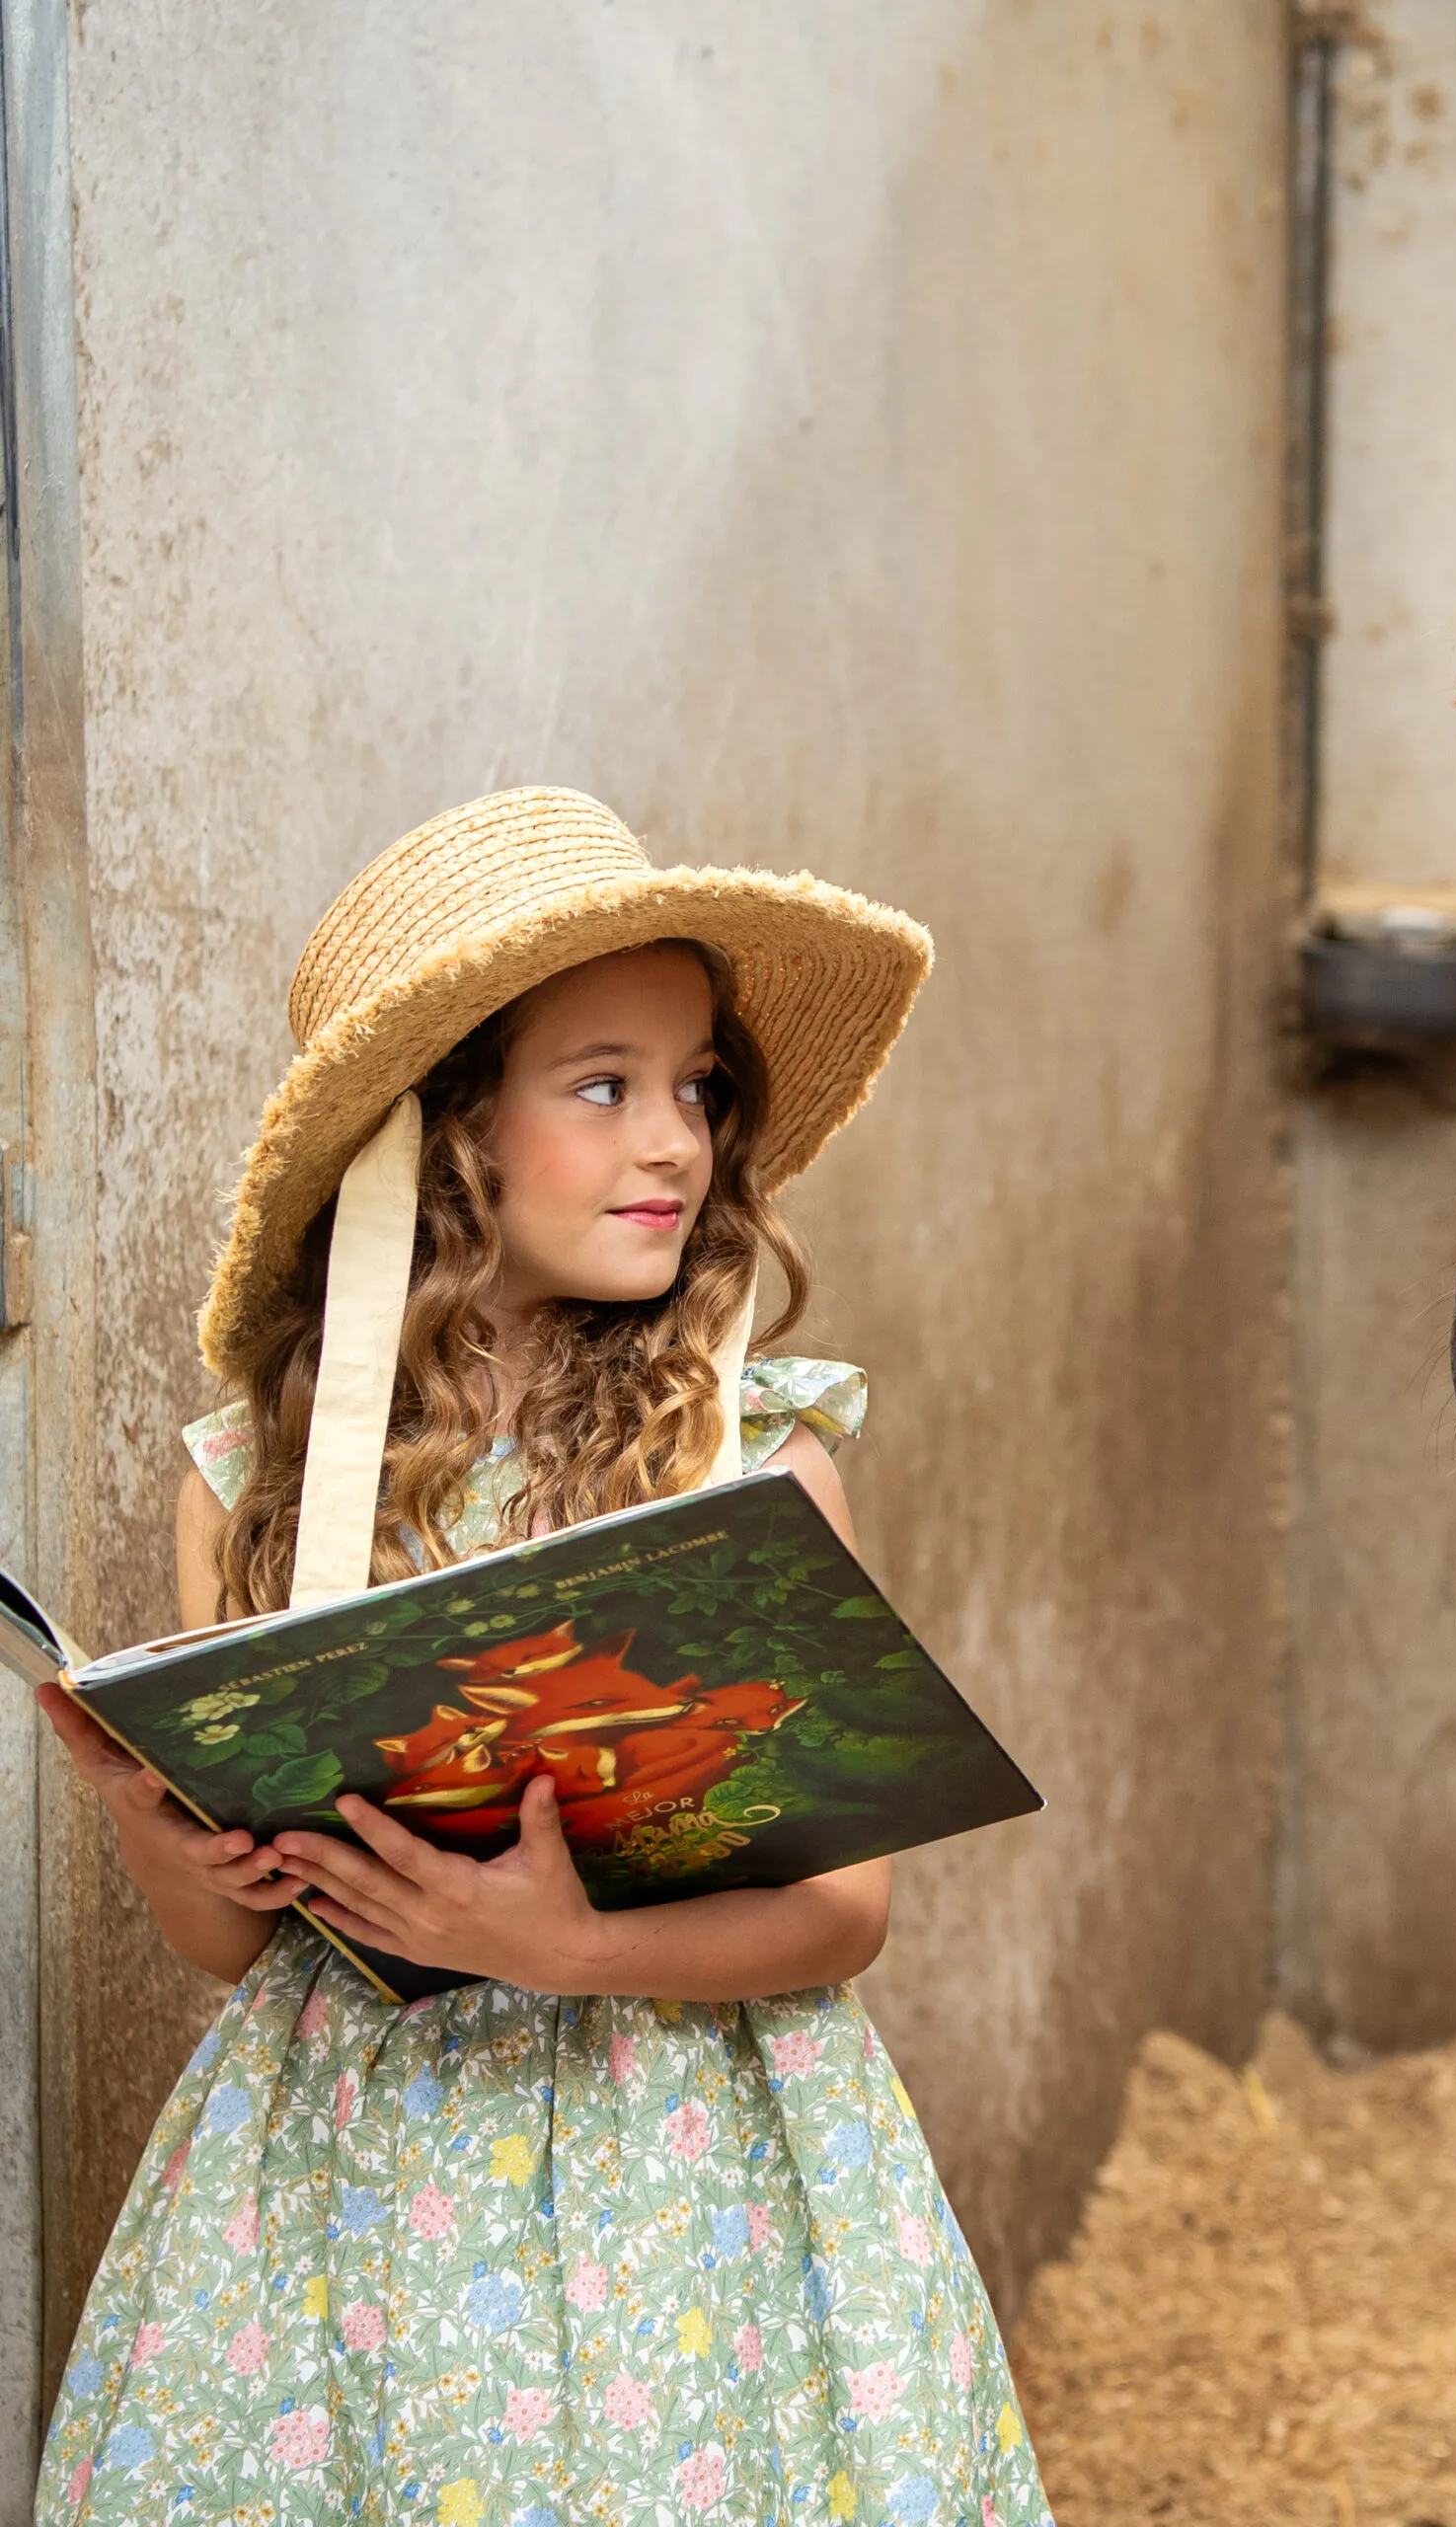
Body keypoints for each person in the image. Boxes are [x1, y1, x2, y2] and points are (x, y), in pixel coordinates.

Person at [35, 789, 1053, 2525]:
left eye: (697, 1088)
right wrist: (159, 1825)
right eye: (604, 1087)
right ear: (444, 1141)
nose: (678, 1143)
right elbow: (225, 1948)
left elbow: (847, 1915)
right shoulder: (251, 1487)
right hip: (344, 2191)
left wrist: (566, 1947)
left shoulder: (756, 1460)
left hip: (690, 2170)